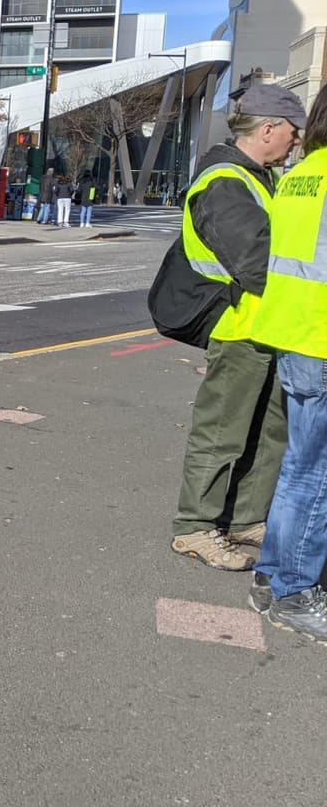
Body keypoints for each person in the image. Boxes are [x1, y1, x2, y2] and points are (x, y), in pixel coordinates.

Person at [170, 84, 307, 570]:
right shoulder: (226, 181)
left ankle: (246, 517)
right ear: (268, 128)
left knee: (268, 431)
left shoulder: (256, 177)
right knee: (221, 433)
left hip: (267, 327)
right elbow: (256, 264)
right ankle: (195, 527)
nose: (296, 141)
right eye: (292, 132)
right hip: (239, 329)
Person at [246, 84, 327, 637]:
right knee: (315, 473)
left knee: (300, 466)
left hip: (293, 333)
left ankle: (272, 575)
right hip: (319, 337)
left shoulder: (301, 173)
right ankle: (295, 593)